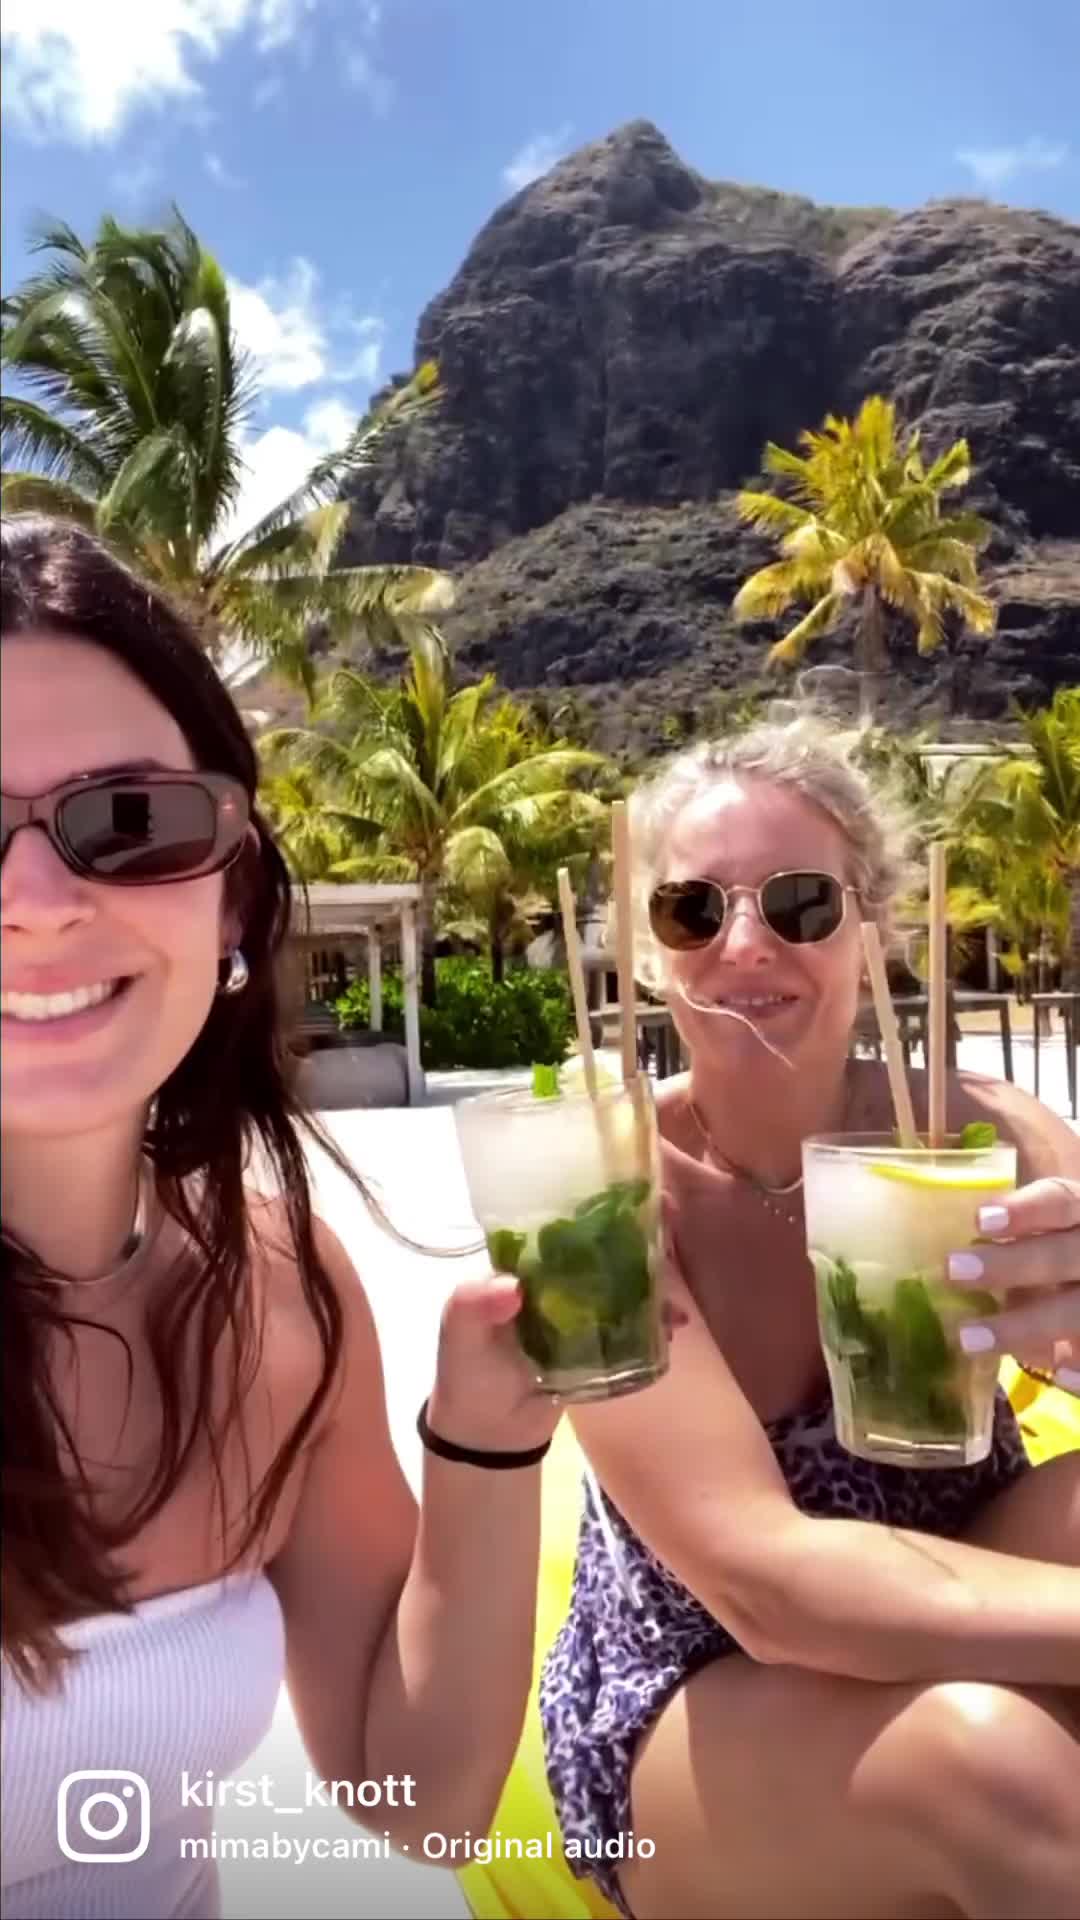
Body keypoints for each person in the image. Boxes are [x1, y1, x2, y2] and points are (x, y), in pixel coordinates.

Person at [0, 516, 563, 1920]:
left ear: (233, 896)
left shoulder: (277, 1286)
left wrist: (489, 1440)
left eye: (130, 823)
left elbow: (416, 1796)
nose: (37, 905)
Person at [540, 715, 1080, 1920]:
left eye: (800, 903)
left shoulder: (978, 1134)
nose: (745, 943)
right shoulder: (595, 1187)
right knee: (996, 1769)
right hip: (701, 1681)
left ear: (873, 927)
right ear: (649, 953)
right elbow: (765, 1588)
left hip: (962, 1571)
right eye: (693, 910)